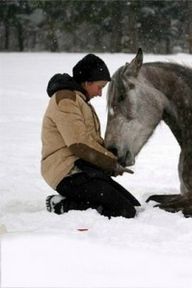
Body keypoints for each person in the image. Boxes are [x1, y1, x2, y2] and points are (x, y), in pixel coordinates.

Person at [41, 54, 140, 218]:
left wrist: (113, 158)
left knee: (133, 205)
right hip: (66, 173)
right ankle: (62, 205)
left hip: (83, 171)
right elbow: (79, 144)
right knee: (124, 211)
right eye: (100, 87)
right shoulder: (66, 99)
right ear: (87, 82)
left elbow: (91, 142)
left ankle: (79, 202)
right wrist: (111, 163)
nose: (100, 93)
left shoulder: (80, 101)